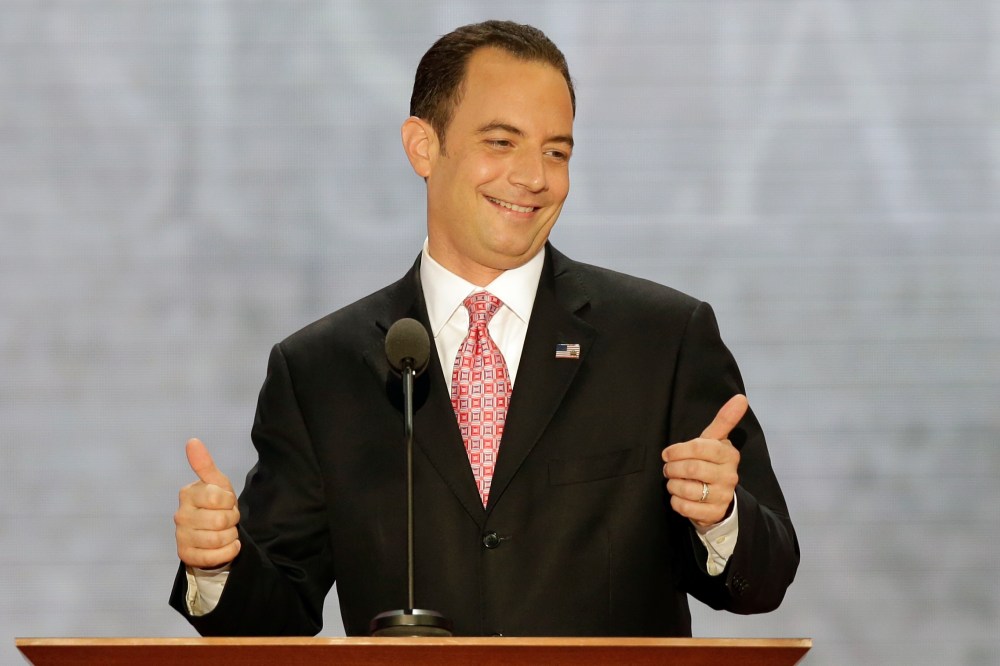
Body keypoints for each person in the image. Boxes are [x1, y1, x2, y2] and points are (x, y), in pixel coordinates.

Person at [170, 20, 798, 637]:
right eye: (501, 142)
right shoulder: (319, 370)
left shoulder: (663, 339)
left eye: (556, 150)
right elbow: (275, 613)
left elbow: (765, 581)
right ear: (422, 145)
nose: (534, 177)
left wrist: (720, 519)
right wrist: (218, 564)